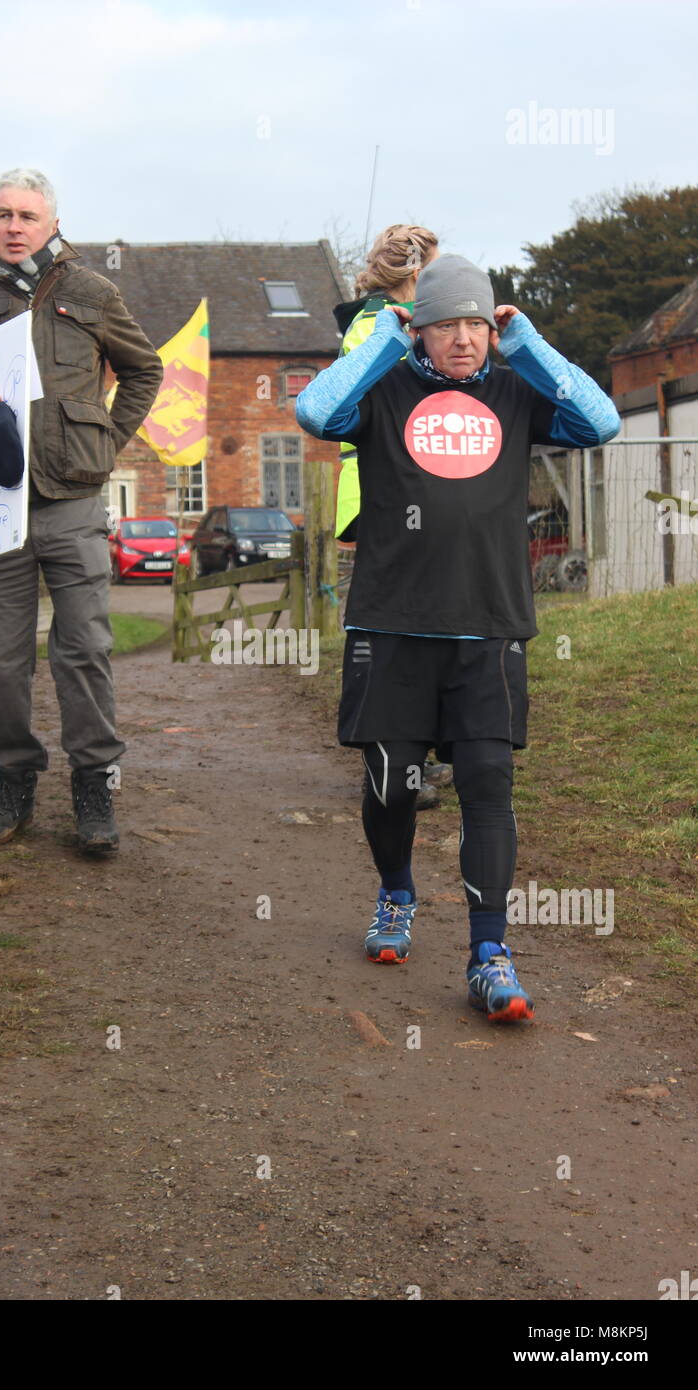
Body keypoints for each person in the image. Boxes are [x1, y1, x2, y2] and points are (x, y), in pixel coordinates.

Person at [296, 254, 620, 1021]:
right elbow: (315, 414)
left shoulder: (515, 391)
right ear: (422, 330)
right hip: (391, 623)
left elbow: (601, 422)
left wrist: (528, 342)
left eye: (477, 323)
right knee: (390, 781)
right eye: (447, 325)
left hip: (489, 626)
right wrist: (385, 340)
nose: (465, 339)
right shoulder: (381, 390)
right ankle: (397, 894)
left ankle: (489, 954)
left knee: (486, 783)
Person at [0, 169, 163, 855]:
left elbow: (144, 370)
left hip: (74, 497)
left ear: (52, 222)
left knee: (85, 649)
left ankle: (93, 784)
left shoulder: (92, 291)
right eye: (3, 214)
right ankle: (13, 779)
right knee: (1, 660)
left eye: (27, 214)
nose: (14, 226)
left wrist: (107, 440)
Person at [333, 224, 447, 809]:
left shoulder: (400, 320)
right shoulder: (377, 325)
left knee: (421, 620)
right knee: (390, 631)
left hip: (408, 488)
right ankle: (387, 761)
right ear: (411, 273)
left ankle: (416, 755)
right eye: (433, 266)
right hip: (381, 491)